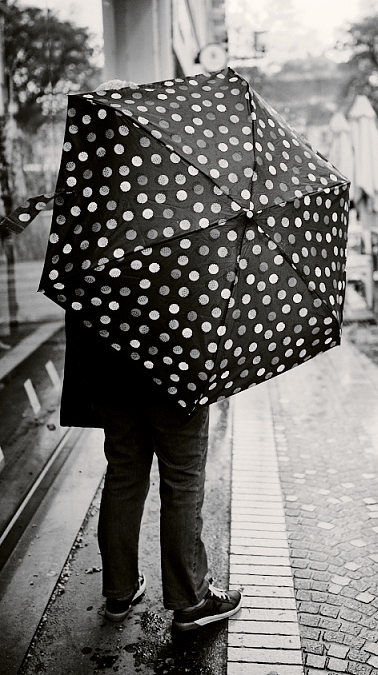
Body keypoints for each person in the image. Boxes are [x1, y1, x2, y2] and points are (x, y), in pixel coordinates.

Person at [60, 80, 242, 636]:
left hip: (111, 367)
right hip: (173, 366)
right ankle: (189, 600)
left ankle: (118, 592)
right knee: (182, 482)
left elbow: (75, 289)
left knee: (123, 474)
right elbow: (202, 287)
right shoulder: (183, 194)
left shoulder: (88, 201)